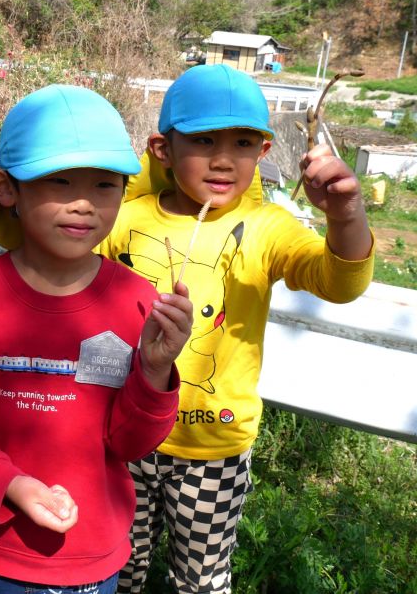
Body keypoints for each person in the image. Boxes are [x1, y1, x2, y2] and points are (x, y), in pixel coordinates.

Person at [100, 64, 374, 594]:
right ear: (162, 148)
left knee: (201, 580)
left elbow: (339, 282)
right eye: (203, 141)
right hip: (122, 434)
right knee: (116, 568)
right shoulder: (124, 219)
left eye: (243, 142)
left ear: (263, 152)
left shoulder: (269, 228)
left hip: (213, 447)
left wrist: (345, 215)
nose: (224, 159)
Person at [0, 85, 194, 594]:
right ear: (5, 188)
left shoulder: (136, 301)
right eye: (60, 181)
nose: (85, 204)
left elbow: (130, 443)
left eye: (106, 185)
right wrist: (10, 484)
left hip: (88, 556)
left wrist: (155, 372)